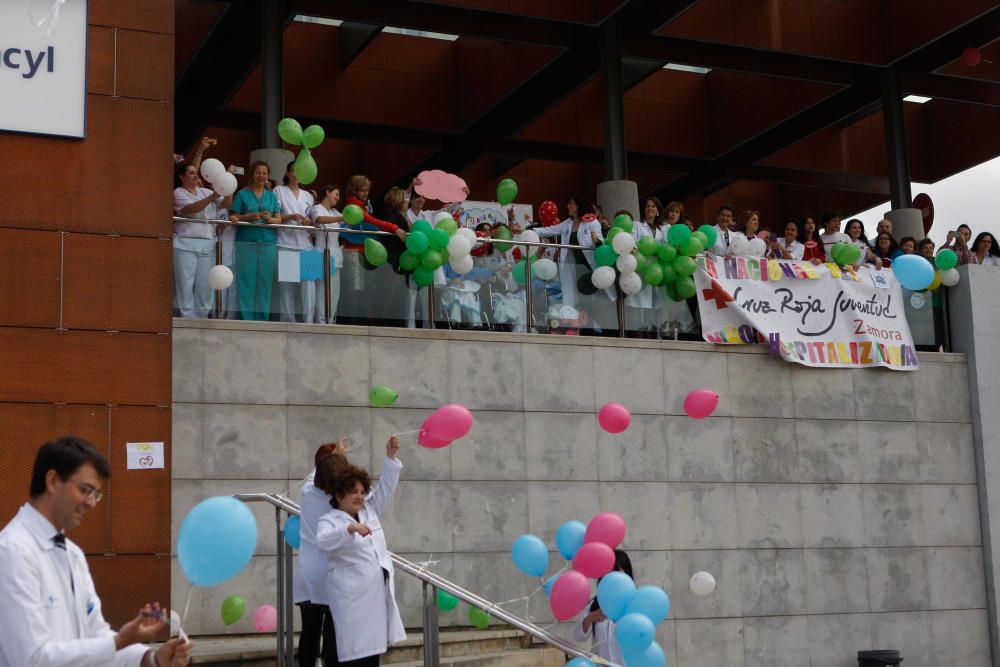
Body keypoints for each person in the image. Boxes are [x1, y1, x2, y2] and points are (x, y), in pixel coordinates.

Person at [0, 436, 192, 667]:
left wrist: (151, 658)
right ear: (52, 480)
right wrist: (119, 641)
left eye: (96, 494)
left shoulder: (73, 555)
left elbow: (96, 637)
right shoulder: (11, 552)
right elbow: (30, 658)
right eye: (85, 490)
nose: (91, 503)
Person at [316, 437, 405, 667]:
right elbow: (323, 541)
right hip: (350, 600)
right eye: (353, 492)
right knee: (352, 655)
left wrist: (391, 457)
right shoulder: (329, 520)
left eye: (362, 491)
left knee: (372, 655)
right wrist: (349, 529)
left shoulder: (369, 511)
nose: (359, 496)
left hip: (374, 598)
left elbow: (386, 488)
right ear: (338, 496)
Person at [296, 441, 349, 667]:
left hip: (307, 572)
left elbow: (316, 472)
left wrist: (330, 457)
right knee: (333, 635)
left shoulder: (307, 492)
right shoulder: (339, 502)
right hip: (331, 572)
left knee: (309, 632)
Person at [339, 175, 407, 325]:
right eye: (362, 190)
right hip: (354, 252)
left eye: (367, 190)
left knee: (361, 289)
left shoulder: (358, 205)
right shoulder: (353, 205)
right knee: (356, 289)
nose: (366, 193)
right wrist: (394, 227)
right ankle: (353, 320)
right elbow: (372, 222)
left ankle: (357, 319)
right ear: (354, 190)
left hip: (361, 251)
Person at [172, 161, 231, 318]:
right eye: (190, 173)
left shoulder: (204, 191)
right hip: (185, 243)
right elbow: (192, 209)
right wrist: (213, 196)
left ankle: (202, 316)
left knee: (205, 283)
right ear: (181, 176)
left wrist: (229, 184)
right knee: (185, 283)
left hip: (207, 244)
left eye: (195, 172)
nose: (195, 175)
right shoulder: (178, 192)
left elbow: (226, 204)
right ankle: (186, 316)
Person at [229, 161, 282, 321]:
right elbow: (234, 216)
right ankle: (247, 319)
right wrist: (248, 217)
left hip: (268, 243)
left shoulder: (272, 196)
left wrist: (270, 219)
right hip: (246, 243)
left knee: (265, 282)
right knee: (246, 281)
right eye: (258, 172)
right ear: (252, 174)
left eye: (264, 173)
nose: (261, 176)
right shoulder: (242, 194)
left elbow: (278, 219)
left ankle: (262, 320)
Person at [535, 196, 607, 310]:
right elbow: (549, 230)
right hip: (576, 268)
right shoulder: (568, 223)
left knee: (594, 302)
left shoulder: (592, 222)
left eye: (571, 204)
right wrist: (529, 231)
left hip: (591, 267)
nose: (568, 206)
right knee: (579, 301)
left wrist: (596, 240)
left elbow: (600, 244)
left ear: (578, 206)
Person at [572, 549, 634, 664]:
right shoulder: (595, 603)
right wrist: (590, 618)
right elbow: (578, 636)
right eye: (609, 572)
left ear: (626, 573)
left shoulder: (635, 603)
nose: (612, 577)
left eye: (617, 571)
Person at [274, 162, 318, 323]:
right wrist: (291, 217)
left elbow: (313, 220)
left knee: (309, 285)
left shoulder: (308, 196)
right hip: (286, 243)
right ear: (287, 173)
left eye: (299, 171)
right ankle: (288, 321)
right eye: (293, 171)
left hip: (306, 244)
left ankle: (309, 321)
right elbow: (276, 216)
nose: (296, 174)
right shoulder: (279, 191)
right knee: (287, 286)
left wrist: (308, 222)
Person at [628, 198, 666, 336]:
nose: (650, 208)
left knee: (656, 303)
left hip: (657, 268)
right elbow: (631, 241)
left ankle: (654, 332)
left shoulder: (663, 229)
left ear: (658, 211)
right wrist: (635, 249)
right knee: (640, 302)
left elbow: (666, 246)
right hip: (641, 266)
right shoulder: (637, 225)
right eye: (648, 206)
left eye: (653, 206)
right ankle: (639, 333)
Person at [309, 185, 346, 324]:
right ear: (327, 192)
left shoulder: (336, 212)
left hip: (336, 255)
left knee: (334, 291)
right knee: (321, 290)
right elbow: (319, 220)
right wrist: (341, 219)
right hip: (320, 254)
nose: (338, 198)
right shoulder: (317, 208)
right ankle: (320, 321)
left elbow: (345, 223)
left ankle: (331, 321)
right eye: (336, 194)